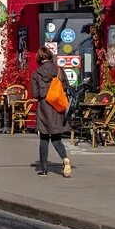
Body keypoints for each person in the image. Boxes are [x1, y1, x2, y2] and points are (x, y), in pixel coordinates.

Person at [31, 46, 72, 177]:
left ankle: (44, 169)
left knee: (44, 138)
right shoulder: (59, 70)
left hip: (44, 108)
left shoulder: (36, 73)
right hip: (58, 107)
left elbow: (34, 94)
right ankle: (65, 158)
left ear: (39, 58)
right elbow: (66, 88)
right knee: (56, 137)